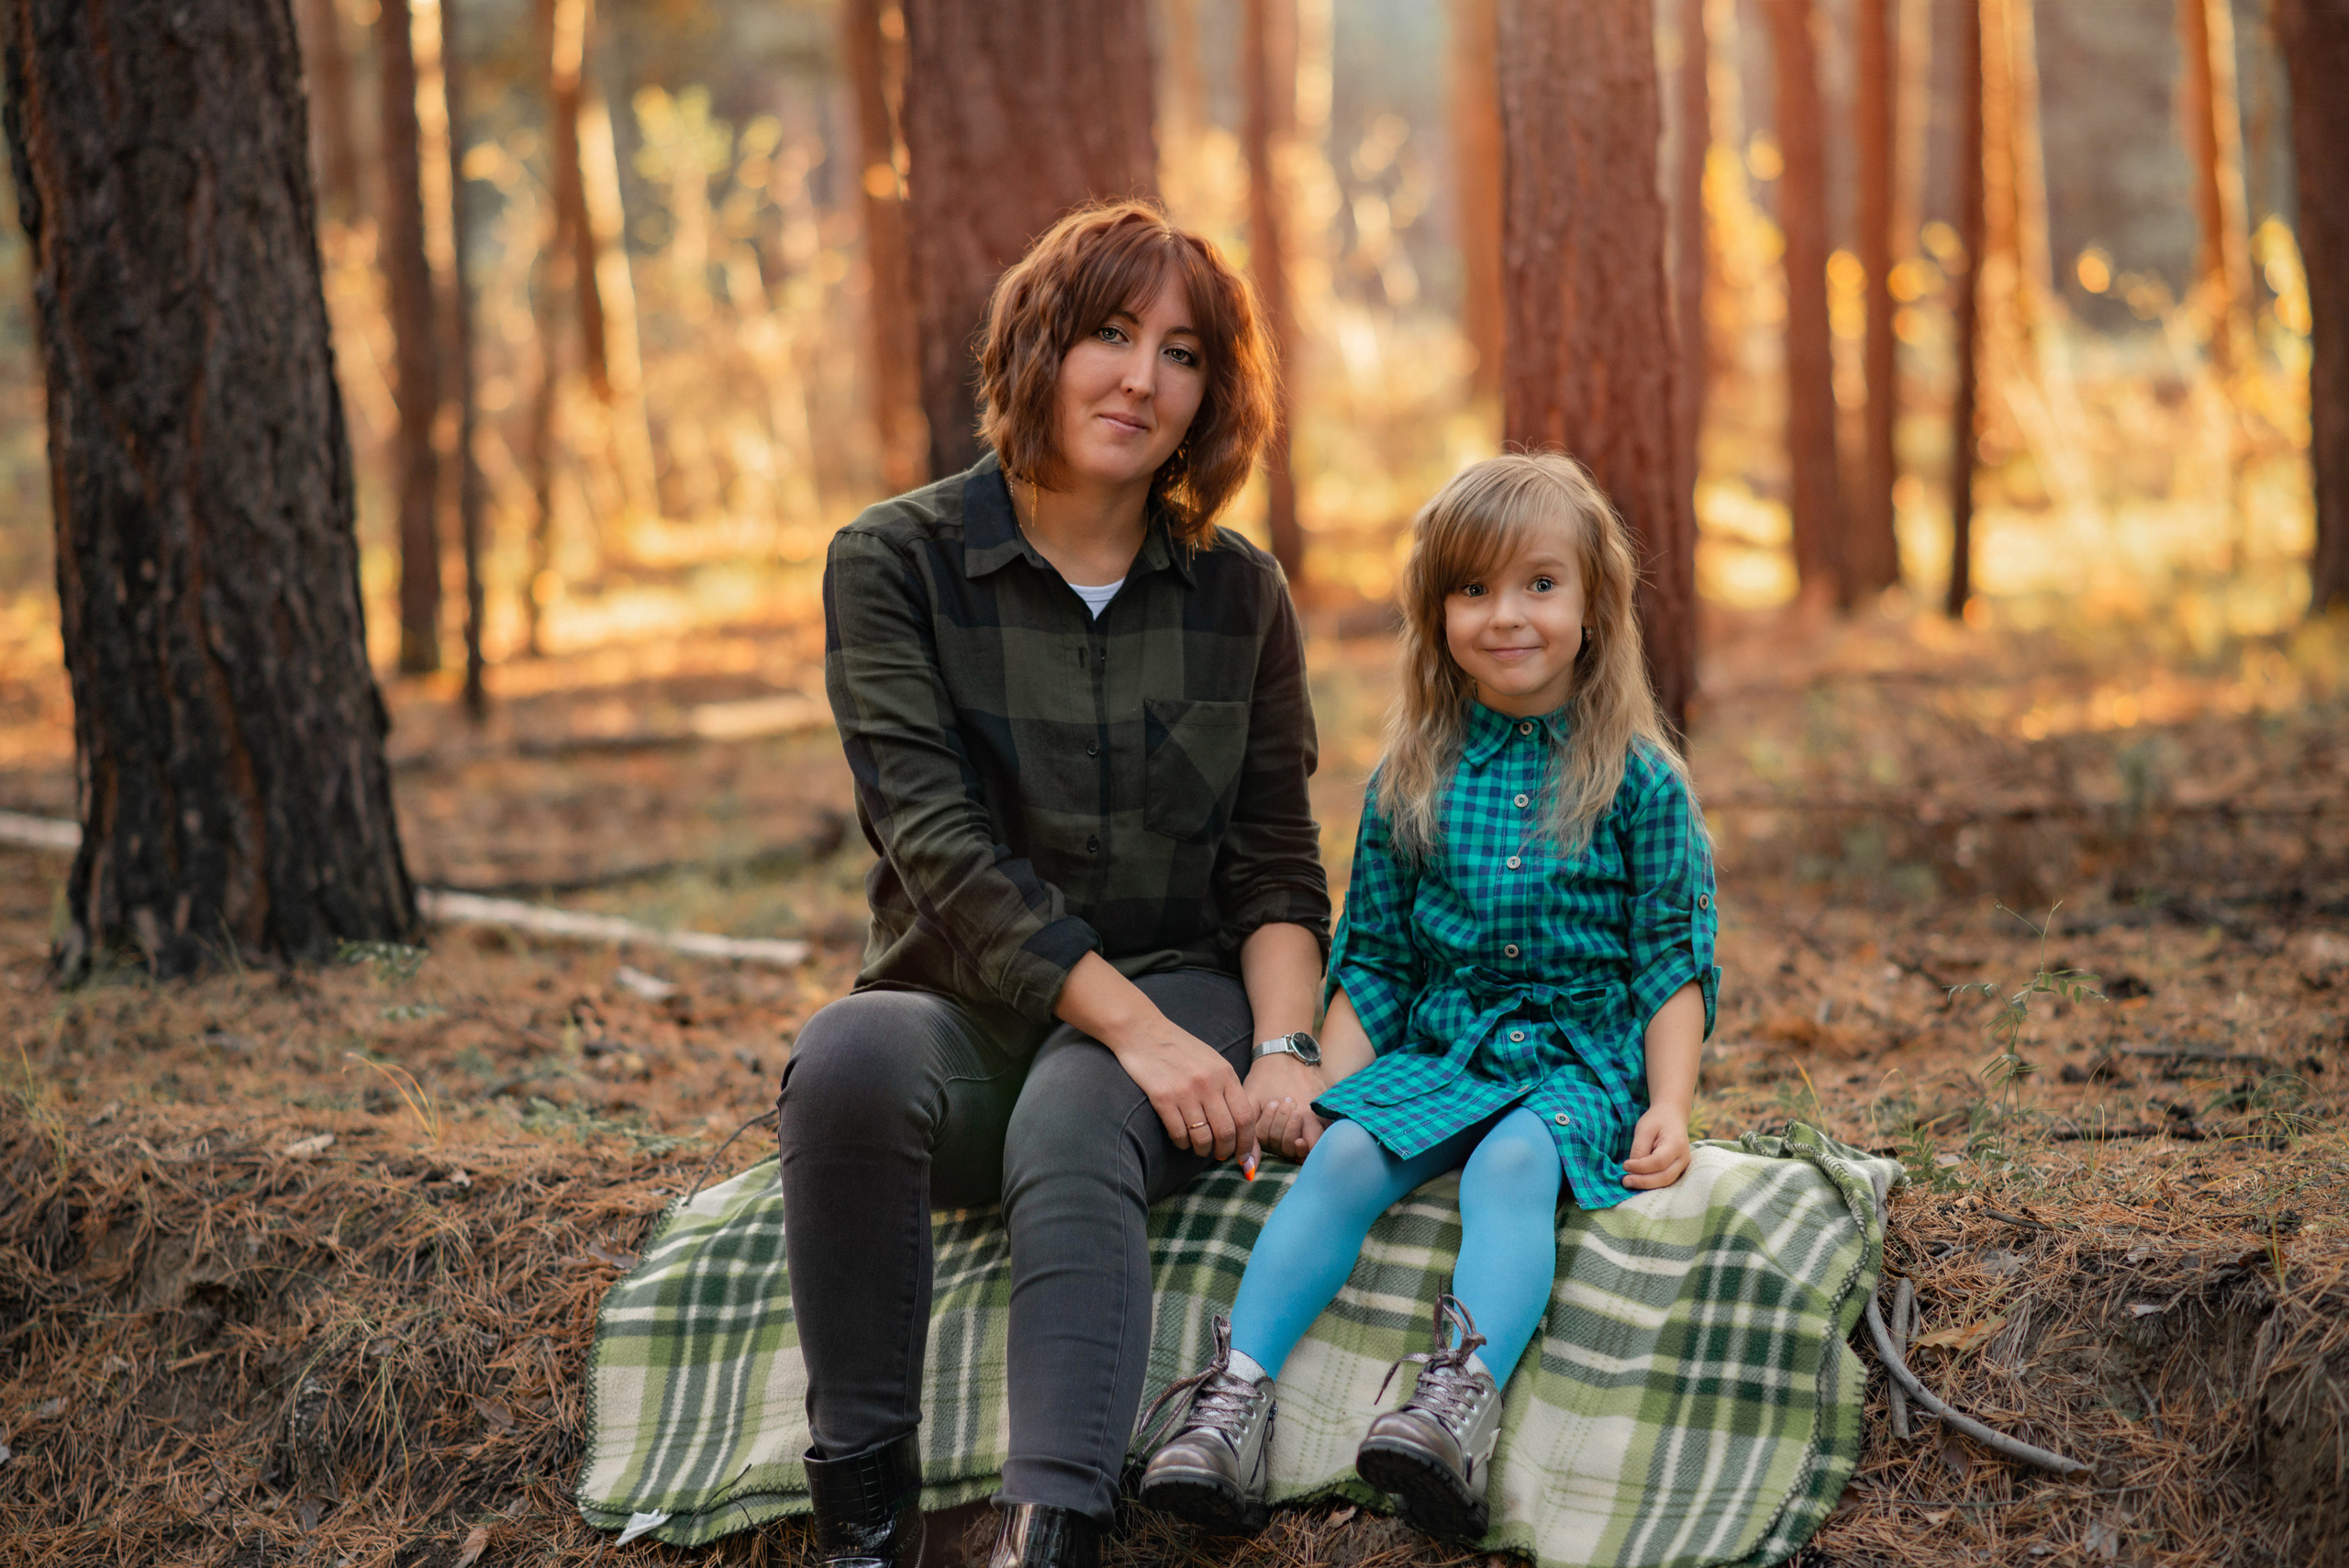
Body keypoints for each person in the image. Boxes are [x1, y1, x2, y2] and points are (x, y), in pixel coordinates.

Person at [777, 202, 1331, 1568]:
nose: (1143, 378)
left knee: (1084, 1106)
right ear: (1040, 342)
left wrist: (1281, 1047)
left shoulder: (1237, 595)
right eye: (1109, 334)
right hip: (965, 1002)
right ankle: (863, 1526)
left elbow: (1274, 863)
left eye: (1182, 352)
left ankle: (1056, 1530)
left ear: (1213, 393)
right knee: (844, 1055)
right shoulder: (893, 563)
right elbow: (939, 851)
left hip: (1182, 986)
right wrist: (1123, 1022)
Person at [1135, 452, 1720, 1542]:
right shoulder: (1412, 772)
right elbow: (1379, 964)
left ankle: (1457, 1405)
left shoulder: (1639, 780)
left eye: (1539, 585)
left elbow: (1670, 964)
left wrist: (1671, 1102)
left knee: (1510, 1164)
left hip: (1576, 1059)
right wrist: (1329, 1090)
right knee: (1350, 1155)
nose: (1507, 616)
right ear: (1435, 610)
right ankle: (1233, 1400)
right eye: (1472, 589)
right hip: (1444, 1048)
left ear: (1593, 605)